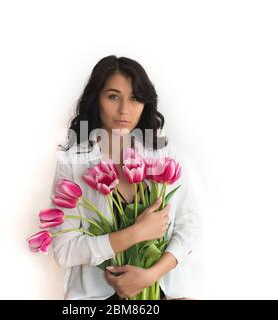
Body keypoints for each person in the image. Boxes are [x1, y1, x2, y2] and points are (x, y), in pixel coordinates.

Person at [48, 55, 201, 300]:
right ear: (96, 98)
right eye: (113, 96)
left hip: (162, 289)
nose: (124, 110)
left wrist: (150, 275)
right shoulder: (75, 162)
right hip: (99, 297)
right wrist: (136, 233)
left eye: (135, 98)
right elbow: (64, 250)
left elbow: (190, 225)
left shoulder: (161, 153)